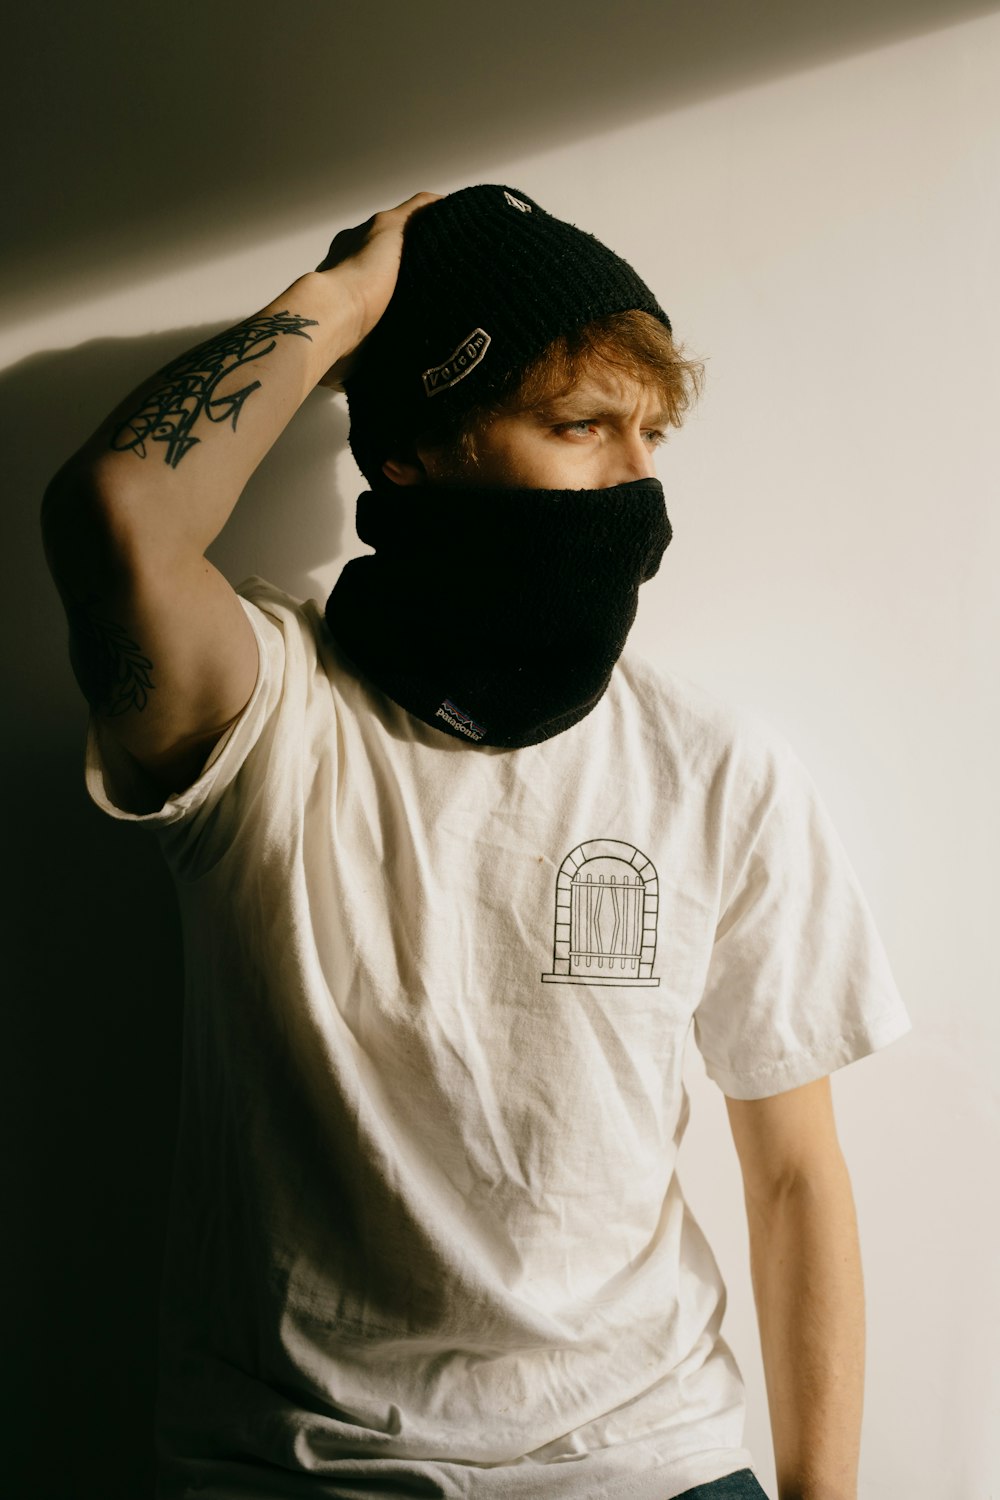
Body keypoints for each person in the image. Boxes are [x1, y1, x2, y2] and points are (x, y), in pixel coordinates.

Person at [41, 185, 911, 1500]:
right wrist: (343, 307)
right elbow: (117, 518)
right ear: (420, 451)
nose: (636, 481)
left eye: (650, 433)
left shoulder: (715, 768)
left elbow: (793, 1176)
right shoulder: (267, 718)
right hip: (298, 1470)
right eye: (578, 426)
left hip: (645, 1461)